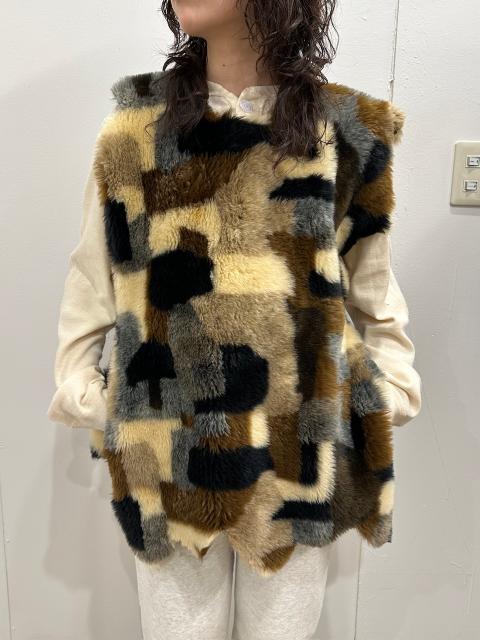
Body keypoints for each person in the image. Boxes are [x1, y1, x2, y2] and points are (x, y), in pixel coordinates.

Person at [47, 1, 422, 639]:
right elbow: (93, 279)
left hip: (296, 456)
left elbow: (375, 294)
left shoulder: (346, 132)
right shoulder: (136, 131)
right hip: (170, 457)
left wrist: (387, 394)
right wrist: (92, 394)